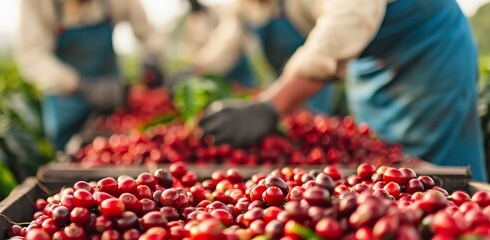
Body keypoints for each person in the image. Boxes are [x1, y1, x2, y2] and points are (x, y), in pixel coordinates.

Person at [198, 0, 488, 181]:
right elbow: (231, 35)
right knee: (378, 158)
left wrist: (270, 105)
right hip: (369, 62)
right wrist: (198, 68)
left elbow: (348, 18)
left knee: (436, 163)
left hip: (427, 50)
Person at [15, 0, 164, 151]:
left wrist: (153, 55)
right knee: (71, 151)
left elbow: (149, 32)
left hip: (112, 98)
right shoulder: (38, 4)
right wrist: (80, 85)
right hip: (68, 105)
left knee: (121, 146)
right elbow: (32, 56)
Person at [194, 0, 338, 114]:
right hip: (279, 82)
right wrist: (200, 68)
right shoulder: (242, 7)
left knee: (313, 126)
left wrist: (275, 101)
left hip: (312, 79)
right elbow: (228, 43)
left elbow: (333, 27)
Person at [180, 0, 256, 88]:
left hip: (233, 64)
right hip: (220, 69)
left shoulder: (227, 10)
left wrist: (205, 61)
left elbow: (231, 38)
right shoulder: (194, 19)